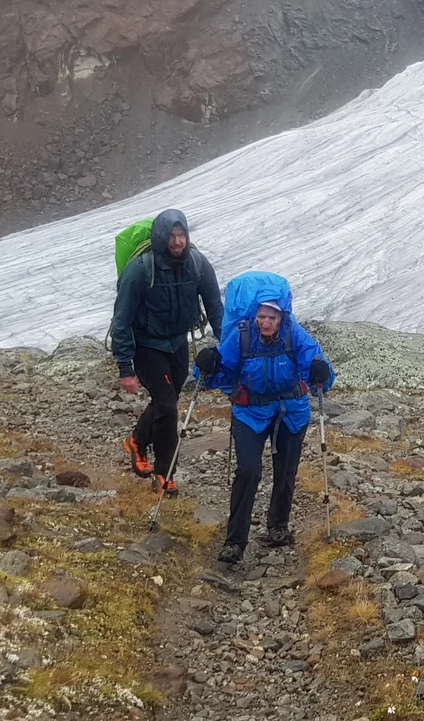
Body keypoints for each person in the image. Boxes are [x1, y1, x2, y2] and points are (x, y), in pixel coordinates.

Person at [196, 271, 333, 564]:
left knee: (285, 470)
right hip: (249, 411)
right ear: (255, 315)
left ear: (281, 316)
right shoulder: (242, 335)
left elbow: (316, 362)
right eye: (262, 316)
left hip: (291, 411)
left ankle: (278, 527)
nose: (266, 322)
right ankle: (235, 542)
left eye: (272, 316)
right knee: (248, 471)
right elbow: (217, 372)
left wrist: (321, 372)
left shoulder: (294, 333)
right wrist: (207, 366)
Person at [111, 209, 223, 494]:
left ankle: (136, 441)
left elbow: (215, 309)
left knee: (167, 400)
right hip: (147, 346)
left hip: (177, 342)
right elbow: (121, 320)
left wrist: (229, 345)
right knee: (167, 406)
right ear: (162, 237)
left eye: (181, 235)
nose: (177, 242)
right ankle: (164, 474)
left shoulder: (197, 265)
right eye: (172, 236)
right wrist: (126, 368)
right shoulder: (140, 270)